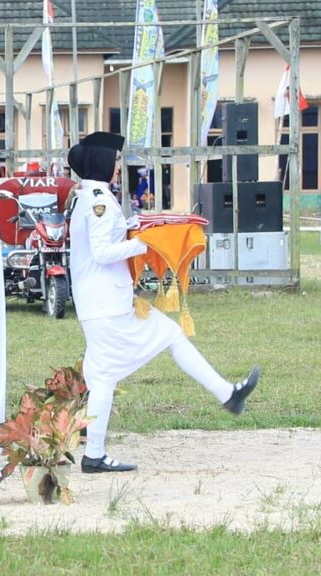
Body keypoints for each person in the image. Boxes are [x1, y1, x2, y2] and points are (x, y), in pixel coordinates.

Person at [66, 131, 259, 474]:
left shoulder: (90, 196)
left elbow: (105, 238)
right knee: (168, 337)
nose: (118, 166)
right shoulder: (97, 200)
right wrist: (146, 243)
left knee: (103, 377)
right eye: (115, 160)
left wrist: (135, 226)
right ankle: (227, 395)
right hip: (107, 304)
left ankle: (94, 454)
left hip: (98, 303)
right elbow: (102, 252)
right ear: (102, 162)